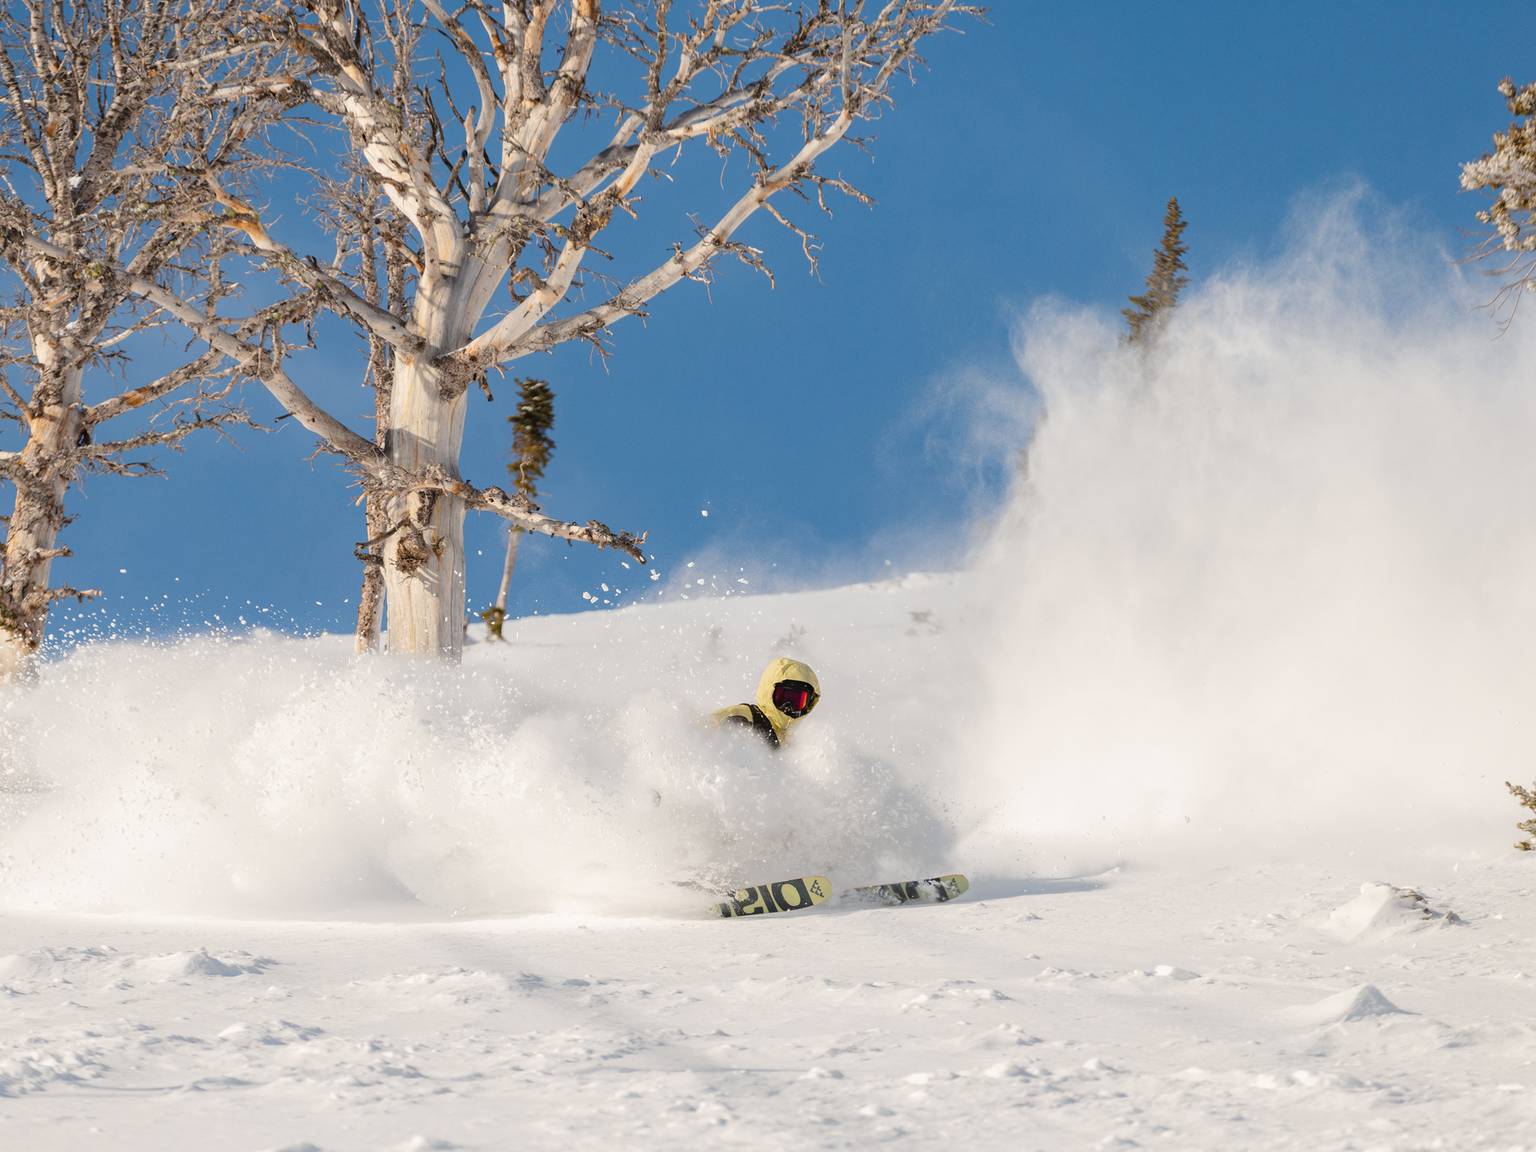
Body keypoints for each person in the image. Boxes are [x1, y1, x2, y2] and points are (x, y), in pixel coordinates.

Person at [712, 657, 820, 749]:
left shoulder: (791, 743)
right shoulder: (741, 716)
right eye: (783, 697)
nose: (789, 707)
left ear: (808, 705)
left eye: (797, 702)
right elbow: (702, 733)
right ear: (769, 691)